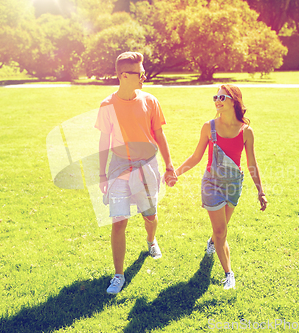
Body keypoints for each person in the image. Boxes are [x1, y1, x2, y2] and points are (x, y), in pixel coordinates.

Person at [95, 52, 177, 294]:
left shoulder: (150, 101)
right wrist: (101, 174)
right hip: (119, 167)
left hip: (148, 165)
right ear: (123, 76)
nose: (144, 77)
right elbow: (103, 142)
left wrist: (169, 164)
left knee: (149, 215)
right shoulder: (107, 105)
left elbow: (159, 135)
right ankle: (118, 275)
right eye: (140, 73)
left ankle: (151, 241)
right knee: (118, 221)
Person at [174, 84, 267, 289]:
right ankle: (228, 273)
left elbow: (252, 162)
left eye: (222, 97)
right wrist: (176, 173)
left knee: (221, 229)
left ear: (234, 100)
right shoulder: (209, 127)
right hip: (212, 184)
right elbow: (197, 156)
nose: (217, 100)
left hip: (234, 184)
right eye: (215, 96)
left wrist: (260, 191)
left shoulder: (246, 132)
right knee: (221, 231)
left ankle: (212, 242)